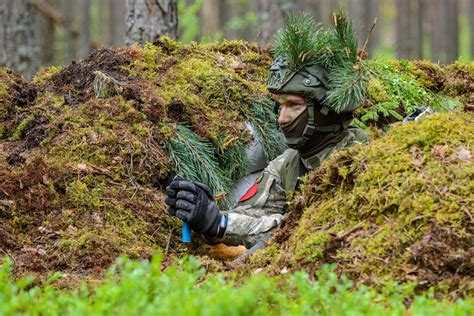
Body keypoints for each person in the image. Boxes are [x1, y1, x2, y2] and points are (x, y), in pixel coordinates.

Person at [165, 12, 368, 249]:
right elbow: (254, 214)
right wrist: (207, 214)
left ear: (327, 109)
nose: (282, 118)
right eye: (280, 105)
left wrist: (220, 223)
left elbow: (306, 227)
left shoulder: (358, 158)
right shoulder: (289, 163)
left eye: (294, 105)